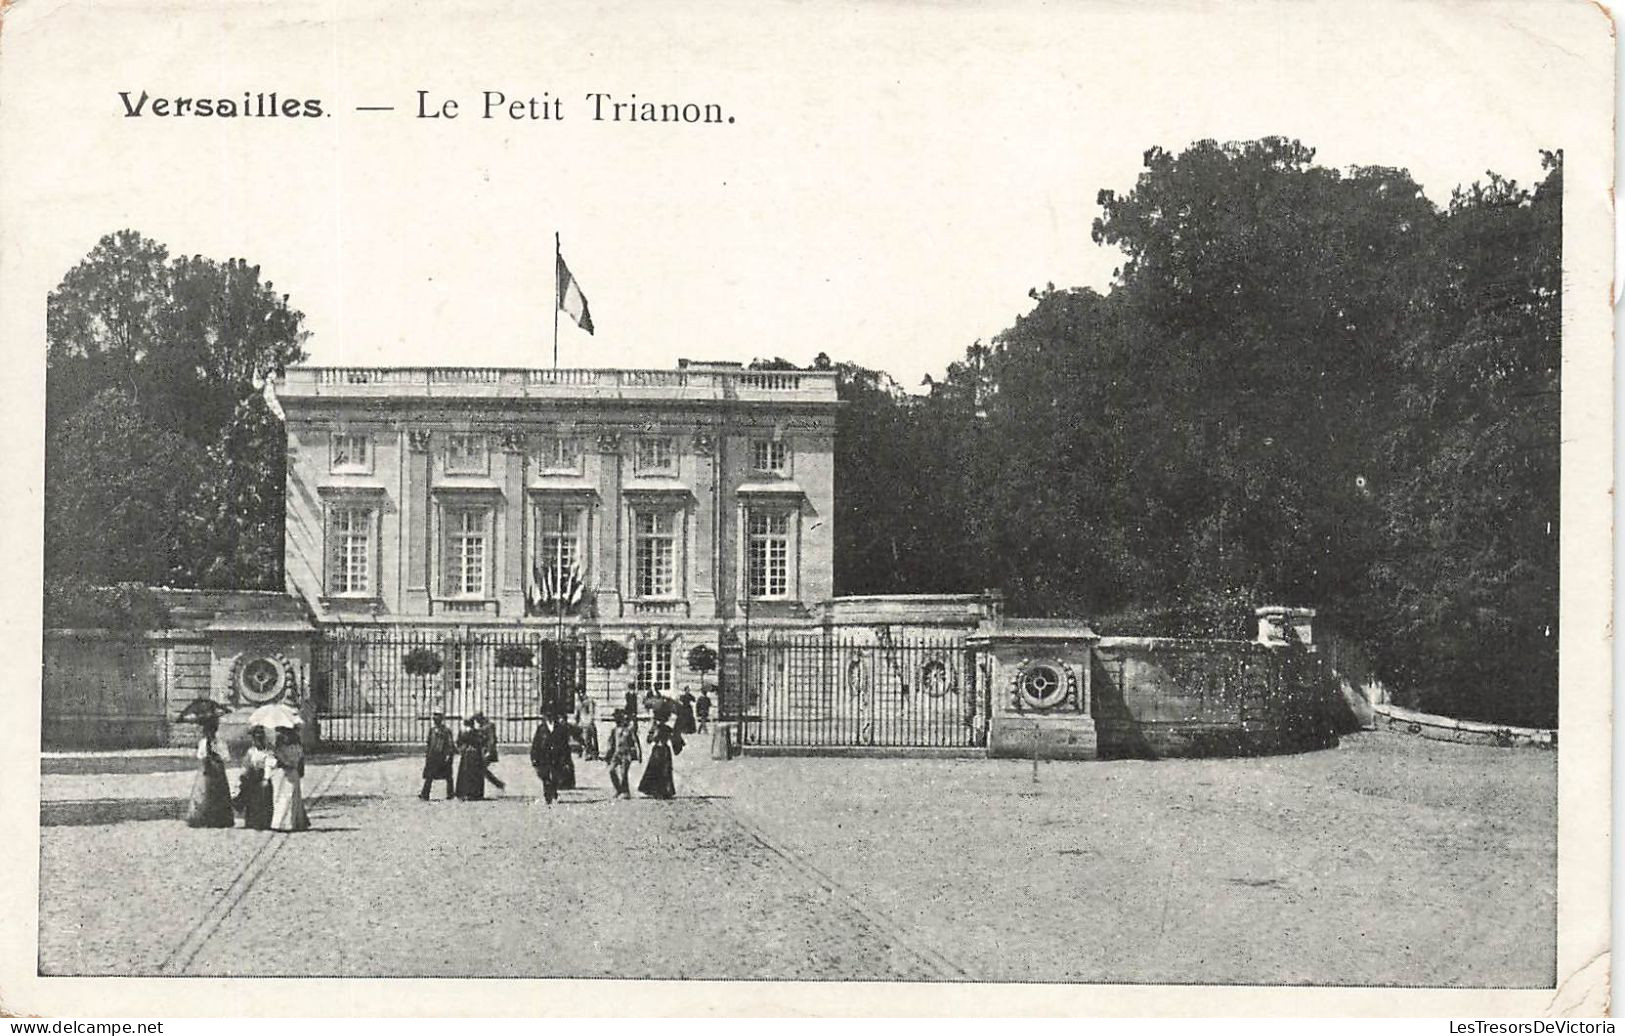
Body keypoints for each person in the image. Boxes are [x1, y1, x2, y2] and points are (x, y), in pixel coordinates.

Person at [185, 714, 235, 828]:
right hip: (206, 771)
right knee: (203, 793)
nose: (210, 734)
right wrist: (206, 755)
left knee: (219, 794)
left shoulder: (220, 743)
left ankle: (219, 819)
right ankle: (202, 818)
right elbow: (199, 755)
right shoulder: (203, 742)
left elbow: (227, 757)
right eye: (207, 731)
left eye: (211, 731)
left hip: (217, 771)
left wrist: (217, 754)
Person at [267, 726, 310, 832]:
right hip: (291, 773)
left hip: (283, 772)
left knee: (282, 797)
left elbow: (278, 761)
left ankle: (282, 822)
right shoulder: (297, 746)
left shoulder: (279, 747)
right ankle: (294, 822)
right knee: (292, 797)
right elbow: (301, 761)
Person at [637, 710, 684, 800]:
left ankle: (660, 791)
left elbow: (649, 740)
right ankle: (662, 791)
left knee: (659, 770)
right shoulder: (665, 728)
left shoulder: (660, 728)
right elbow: (675, 739)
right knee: (660, 771)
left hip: (659, 750)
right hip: (663, 750)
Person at [529, 713, 574, 805]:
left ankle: (554, 792)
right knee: (545, 776)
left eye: (551, 715)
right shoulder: (541, 728)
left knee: (555, 776)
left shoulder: (560, 728)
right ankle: (547, 796)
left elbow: (565, 744)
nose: (549, 718)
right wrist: (534, 757)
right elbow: (536, 743)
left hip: (556, 755)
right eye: (547, 716)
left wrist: (566, 758)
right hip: (544, 755)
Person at [235, 727, 275, 830]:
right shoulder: (251, 751)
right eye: (255, 738)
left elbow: (269, 765)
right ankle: (251, 821)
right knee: (251, 799)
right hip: (252, 777)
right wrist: (243, 774)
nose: (258, 741)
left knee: (263, 800)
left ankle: (263, 822)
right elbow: (246, 764)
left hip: (263, 777)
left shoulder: (268, 751)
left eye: (260, 738)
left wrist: (266, 778)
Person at [603, 709, 641, 800]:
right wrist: (608, 755)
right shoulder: (614, 730)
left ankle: (625, 791)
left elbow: (636, 741)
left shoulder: (629, 729)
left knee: (624, 773)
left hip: (626, 754)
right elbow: (610, 743)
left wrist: (639, 754)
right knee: (611, 770)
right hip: (617, 754)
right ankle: (618, 789)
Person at [419, 709, 456, 800]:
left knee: (448, 776)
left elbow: (450, 744)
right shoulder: (432, 730)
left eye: (438, 716)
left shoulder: (446, 731)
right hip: (433, 756)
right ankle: (425, 794)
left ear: (441, 718)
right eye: (434, 716)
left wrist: (448, 755)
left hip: (443, 756)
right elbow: (429, 742)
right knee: (429, 776)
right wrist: (428, 754)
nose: (435, 718)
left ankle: (450, 793)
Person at [454, 717, 487, 801]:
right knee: (473, 774)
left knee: (465, 774)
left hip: (468, 755)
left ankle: (464, 793)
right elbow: (482, 741)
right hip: (474, 755)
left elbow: (458, 743)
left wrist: (462, 748)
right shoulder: (476, 732)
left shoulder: (465, 732)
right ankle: (474, 793)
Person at [474, 711, 506, 791]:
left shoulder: (489, 725)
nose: (476, 721)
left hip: (488, 751)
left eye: (477, 719)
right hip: (483, 751)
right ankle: (498, 784)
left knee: (481, 769)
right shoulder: (483, 725)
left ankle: (497, 784)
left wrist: (489, 751)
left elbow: (491, 740)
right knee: (481, 769)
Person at [573, 690, 599, 760]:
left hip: (588, 723)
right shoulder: (578, 703)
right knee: (583, 739)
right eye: (579, 693)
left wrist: (590, 721)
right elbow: (576, 714)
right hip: (582, 723)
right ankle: (586, 752)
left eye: (582, 693)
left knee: (591, 738)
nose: (580, 695)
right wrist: (576, 722)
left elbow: (591, 712)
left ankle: (593, 753)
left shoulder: (589, 701)